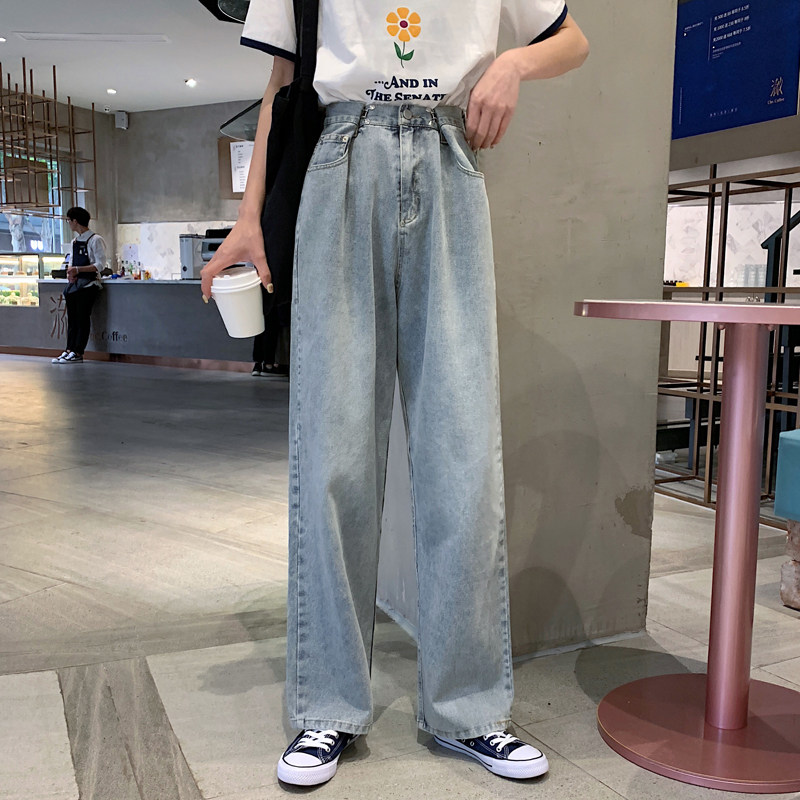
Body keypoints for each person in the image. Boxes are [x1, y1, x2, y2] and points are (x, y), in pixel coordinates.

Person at [202, 0, 588, 787]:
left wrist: (513, 63)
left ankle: (468, 710)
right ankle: (327, 706)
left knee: (462, 456)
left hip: (449, 160)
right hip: (339, 160)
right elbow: (282, 84)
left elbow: (571, 39)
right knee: (334, 457)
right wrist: (248, 217)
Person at [52, 207, 108, 364]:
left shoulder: (96, 240)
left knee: (82, 319)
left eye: (69, 220)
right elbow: (71, 262)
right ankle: (69, 349)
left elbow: (100, 265)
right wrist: (70, 273)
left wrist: (78, 270)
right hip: (75, 286)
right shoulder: (75, 242)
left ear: (75, 221)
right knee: (72, 320)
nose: (69, 223)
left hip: (89, 285)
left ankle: (78, 351)